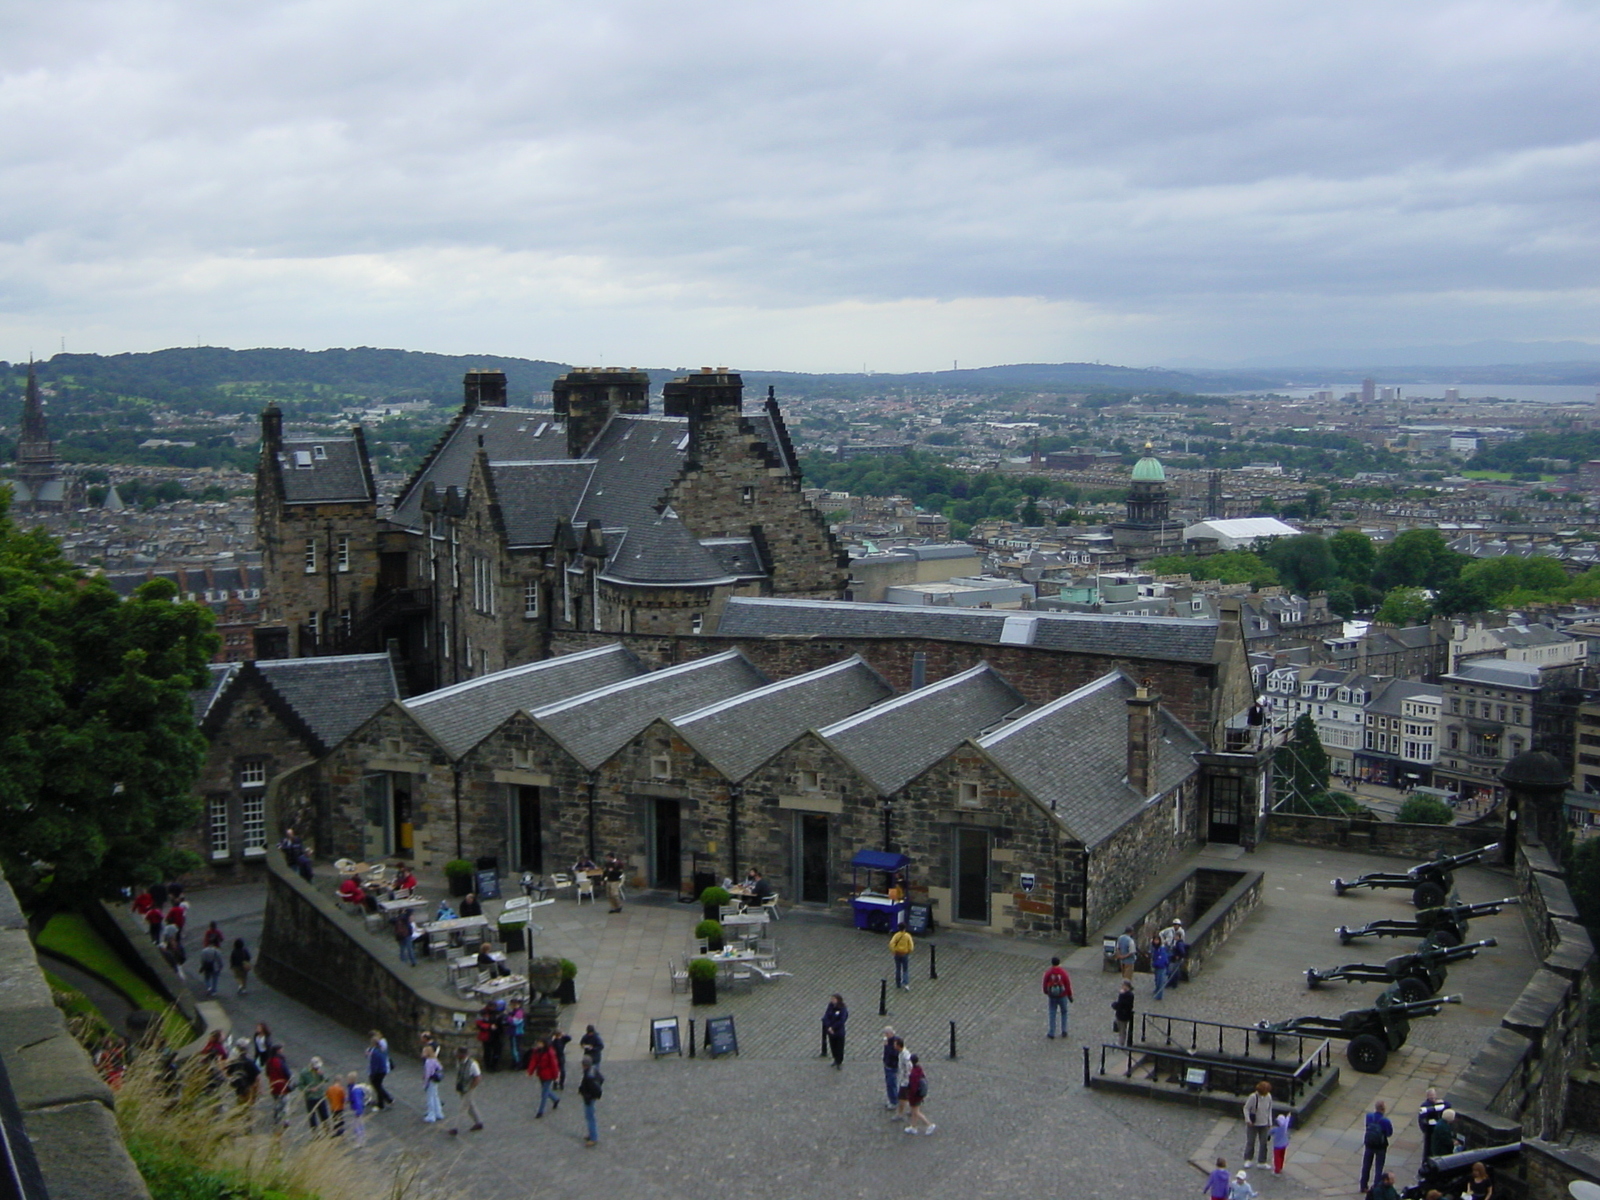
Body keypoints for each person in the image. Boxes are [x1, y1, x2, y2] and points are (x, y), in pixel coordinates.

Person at [1359, 1099, 1393, 1192]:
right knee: (1378, 1168)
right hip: (1380, 1146)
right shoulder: (1385, 1121)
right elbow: (1389, 1133)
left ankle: (1363, 1185)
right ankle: (1376, 1188)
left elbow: (1367, 1126)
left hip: (1369, 1144)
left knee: (1366, 1165)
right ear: (1383, 1109)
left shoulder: (1369, 1116)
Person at [448, 1047, 483, 1135]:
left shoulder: (472, 1064)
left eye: (458, 1054)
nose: (456, 1055)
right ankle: (479, 1122)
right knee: (470, 1106)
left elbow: (478, 1077)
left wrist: (471, 1088)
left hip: (469, 1089)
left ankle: (455, 1128)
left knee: (462, 1108)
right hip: (462, 1088)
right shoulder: (459, 1062)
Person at [1242, 1080, 1274, 1168]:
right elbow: (1246, 1108)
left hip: (1264, 1124)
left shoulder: (1269, 1097)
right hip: (1253, 1124)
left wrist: (1270, 1123)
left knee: (1264, 1143)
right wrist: (1248, 1120)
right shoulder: (1253, 1097)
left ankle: (1262, 1161)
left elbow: (1269, 1110)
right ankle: (1248, 1159)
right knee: (1250, 1142)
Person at [528, 1036, 561, 1118]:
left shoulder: (550, 1052)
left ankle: (540, 1111)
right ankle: (555, 1099)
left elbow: (554, 1065)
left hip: (548, 1074)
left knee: (544, 1093)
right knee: (545, 1090)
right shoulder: (536, 1051)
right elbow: (534, 1061)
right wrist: (530, 1071)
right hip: (541, 1073)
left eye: (539, 1043)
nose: (538, 1045)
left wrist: (556, 1075)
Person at [1043, 955, 1073, 1039]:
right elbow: (1067, 984)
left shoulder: (1049, 972)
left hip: (1052, 996)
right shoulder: (1063, 972)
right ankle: (1064, 1030)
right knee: (1064, 1012)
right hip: (1062, 995)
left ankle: (1052, 1032)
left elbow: (1045, 983)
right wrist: (1069, 995)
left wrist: (1046, 992)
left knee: (1052, 1012)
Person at [903, 1053, 934, 1135]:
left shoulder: (913, 1074)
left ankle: (929, 1125)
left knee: (916, 1112)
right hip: (919, 1095)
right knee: (914, 1112)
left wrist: (909, 1095)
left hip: (915, 1096)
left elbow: (913, 1087)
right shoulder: (919, 1069)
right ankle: (913, 1126)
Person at [264, 1045, 292, 1127]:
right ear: (278, 1051)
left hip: (273, 1086)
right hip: (283, 1086)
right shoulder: (280, 1061)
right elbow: (287, 1073)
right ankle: (286, 1121)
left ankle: (276, 1118)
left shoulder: (269, 1061)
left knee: (277, 1102)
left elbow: (267, 1073)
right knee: (285, 1104)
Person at [225, 1039, 260, 1106]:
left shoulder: (235, 1062)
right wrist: (256, 1092)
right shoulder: (250, 1063)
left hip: (238, 1089)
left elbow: (228, 1074)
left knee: (240, 1105)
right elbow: (257, 1078)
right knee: (247, 1107)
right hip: (248, 1089)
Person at [578, 1055, 603, 1147]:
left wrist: (587, 1095)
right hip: (591, 1097)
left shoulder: (588, 1076)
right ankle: (591, 1134)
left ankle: (593, 1138)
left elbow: (593, 1088)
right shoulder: (593, 1070)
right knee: (589, 1117)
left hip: (589, 1098)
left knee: (590, 1117)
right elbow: (601, 1078)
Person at [299, 1057, 330, 1131]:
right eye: (316, 1067)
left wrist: (322, 1074)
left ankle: (327, 1131)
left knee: (324, 1115)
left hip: (320, 1096)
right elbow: (300, 1085)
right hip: (310, 1098)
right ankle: (315, 1134)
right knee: (312, 1117)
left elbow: (327, 1079)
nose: (317, 1068)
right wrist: (309, 1089)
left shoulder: (321, 1070)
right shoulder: (304, 1073)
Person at [367, 1030, 394, 1110]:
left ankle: (384, 1102)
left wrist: (372, 1073)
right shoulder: (378, 1049)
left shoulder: (376, 1051)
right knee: (378, 1085)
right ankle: (385, 1100)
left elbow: (375, 1064)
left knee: (377, 1086)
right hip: (382, 1069)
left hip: (380, 1070)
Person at [823, 994, 848, 1068]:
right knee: (832, 1046)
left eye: (834, 999)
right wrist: (828, 1026)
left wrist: (833, 1027)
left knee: (839, 1047)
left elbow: (842, 1020)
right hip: (831, 1031)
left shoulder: (842, 1008)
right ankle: (835, 1059)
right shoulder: (830, 1007)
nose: (832, 1000)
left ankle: (839, 1061)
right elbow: (826, 1016)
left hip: (838, 1031)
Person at [421, 1043, 445, 1123]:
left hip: (430, 1081)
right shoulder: (435, 1060)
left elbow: (428, 1074)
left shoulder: (428, 1062)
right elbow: (440, 1068)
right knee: (435, 1096)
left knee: (430, 1098)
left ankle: (431, 1115)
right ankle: (438, 1112)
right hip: (435, 1081)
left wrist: (425, 1083)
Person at [888, 925, 914, 991]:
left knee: (898, 969)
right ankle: (906, 984)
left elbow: (891, 943)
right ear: (905, 928)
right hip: (904, 954)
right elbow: (911, 946)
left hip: (897, 953)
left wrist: (893, 951)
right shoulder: (907, 936)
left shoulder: (896, 935)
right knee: (905, 969)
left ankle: (898, 983)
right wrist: (909, 951)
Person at [880, 1027, 900, 1110]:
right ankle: (892, 1099)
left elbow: (894, 1054)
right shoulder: (889, 1042)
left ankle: (894, 1101)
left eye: (886, 1034)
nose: (885, 1036)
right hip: (888, 1065)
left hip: (892, 1066)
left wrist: (887, 1046)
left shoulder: (895, 1042)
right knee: (889, 1084)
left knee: (891, 1084)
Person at [346, 1073, 368, 1147]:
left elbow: (357, 1101)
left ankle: (360, 1141)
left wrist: (358, 1112)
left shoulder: (354, 1090)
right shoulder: (354, 1088)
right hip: (357, 1109)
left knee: (357, 1126)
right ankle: (361, 1139)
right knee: (358, 1125)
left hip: (357, 1110)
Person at [1112, 980, 1135, 1046]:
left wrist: (1121, 995)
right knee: (1120, 1028)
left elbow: (1121, 1004)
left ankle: (1121, 1044)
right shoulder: (1128, 994)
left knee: (1122, 1030)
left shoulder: (1127, 995)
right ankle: (1121, 1042)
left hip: (1123, 1015)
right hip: (1122, 1014)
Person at [324, 1072, 347, 1137]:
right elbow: (343, 1098)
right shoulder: (340, 1089)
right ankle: (340, 1132)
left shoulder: (329, 1089)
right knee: (340, 1119)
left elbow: (327, 1096)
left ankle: (336, 1131)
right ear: (339, 1081)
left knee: (335, 1119)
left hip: (333, 1107)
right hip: (339, 1107)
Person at [507, 1004, 526, 1070]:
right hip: (513, 1032)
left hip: (516, 1033)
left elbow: (515, 1022)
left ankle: (518, 1063)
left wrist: (508, 1018)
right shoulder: (514, 1012)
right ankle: (515, 1062)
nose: (513, 1005)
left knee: (516, 1049)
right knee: (514, 1049)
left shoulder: (519, 1012)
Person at [1151, 937, 1170, 1002]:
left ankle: (1159, 995)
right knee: (1157, 979)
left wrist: (1157, 964)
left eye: (1157, 940)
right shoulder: (1155, 948)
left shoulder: (1161, 949)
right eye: (1155, 940)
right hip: (1157, 966)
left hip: (1161, 967)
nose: (1156, 941)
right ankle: (1157, 990)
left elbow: (1162, 958)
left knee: (1160, 981)